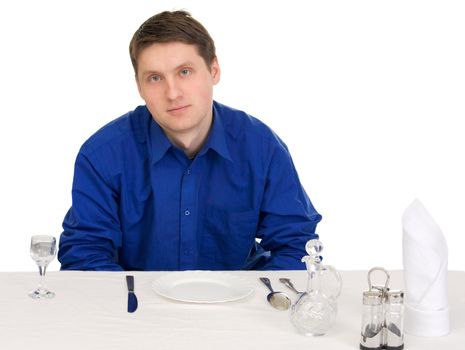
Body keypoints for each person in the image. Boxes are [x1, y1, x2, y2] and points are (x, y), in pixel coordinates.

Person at [58, 10, 321, 271]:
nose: (172, 93)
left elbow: (296, 245)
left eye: (184, 72)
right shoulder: (102, 155)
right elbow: (85, 254)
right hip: (138, 307)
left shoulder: (262, 148)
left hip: (237, 305)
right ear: (139, 87)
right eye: (155, 78)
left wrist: (258, 305)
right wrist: (137, 308)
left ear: (214, 70)